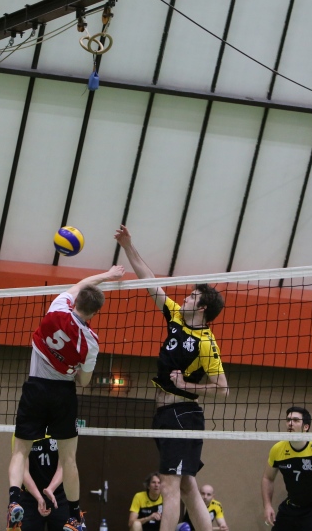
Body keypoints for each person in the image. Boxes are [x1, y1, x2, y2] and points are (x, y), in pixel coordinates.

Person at [115, 225, 229, 531]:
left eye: (192, 296)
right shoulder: (176, 316)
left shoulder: (206, 343)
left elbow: (223, 388)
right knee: (188, 486)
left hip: (182, 414)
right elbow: (150, 280)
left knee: (169, 485)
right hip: (167, 414)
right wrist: (128, 246)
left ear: (202, 307)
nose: (186, 298)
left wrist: (185, 385)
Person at [7, 266, 125, 531]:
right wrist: (71, 366)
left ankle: (14, 501)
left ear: (77, 300)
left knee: (20, 451)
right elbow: (84, 381)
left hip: (35, 388)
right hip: (63, 393)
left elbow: (81, 283)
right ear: (95, 312)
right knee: (69, 458)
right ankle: (74, 517)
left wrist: (108, 275)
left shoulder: (58, 307)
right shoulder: (91, 341)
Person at [20, 436, 68, 531]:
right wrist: (39, 497)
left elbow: (64, 466)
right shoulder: (25, 431)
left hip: (58, 496)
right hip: (29, 497)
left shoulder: (62, 431)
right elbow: (23, 471)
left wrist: (50, 489)